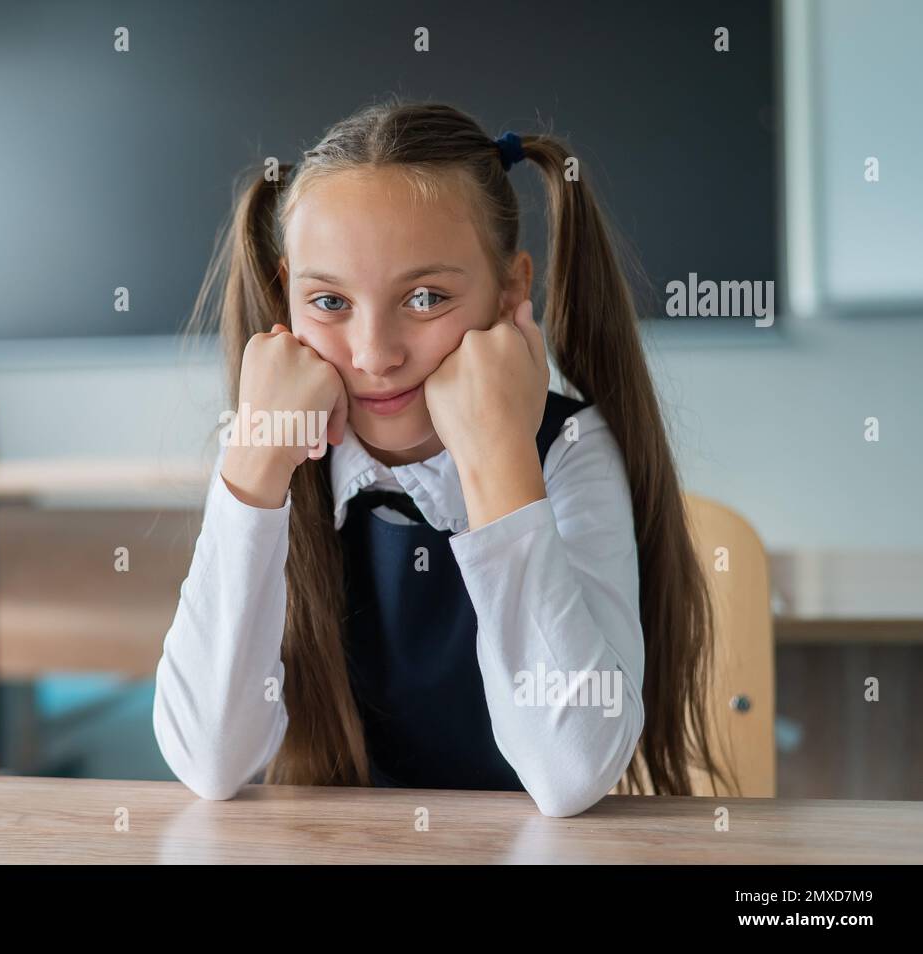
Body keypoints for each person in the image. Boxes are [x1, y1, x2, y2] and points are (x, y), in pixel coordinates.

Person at [152, 99, 733, 816]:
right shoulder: (269, 448)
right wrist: (252, 469)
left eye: (425, 298)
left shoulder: (570, 450)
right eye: (330, 301)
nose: (375, 355)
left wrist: (497, 457)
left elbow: (572, 773)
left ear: (512, 289)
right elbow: (209, 761)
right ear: (286, 294)